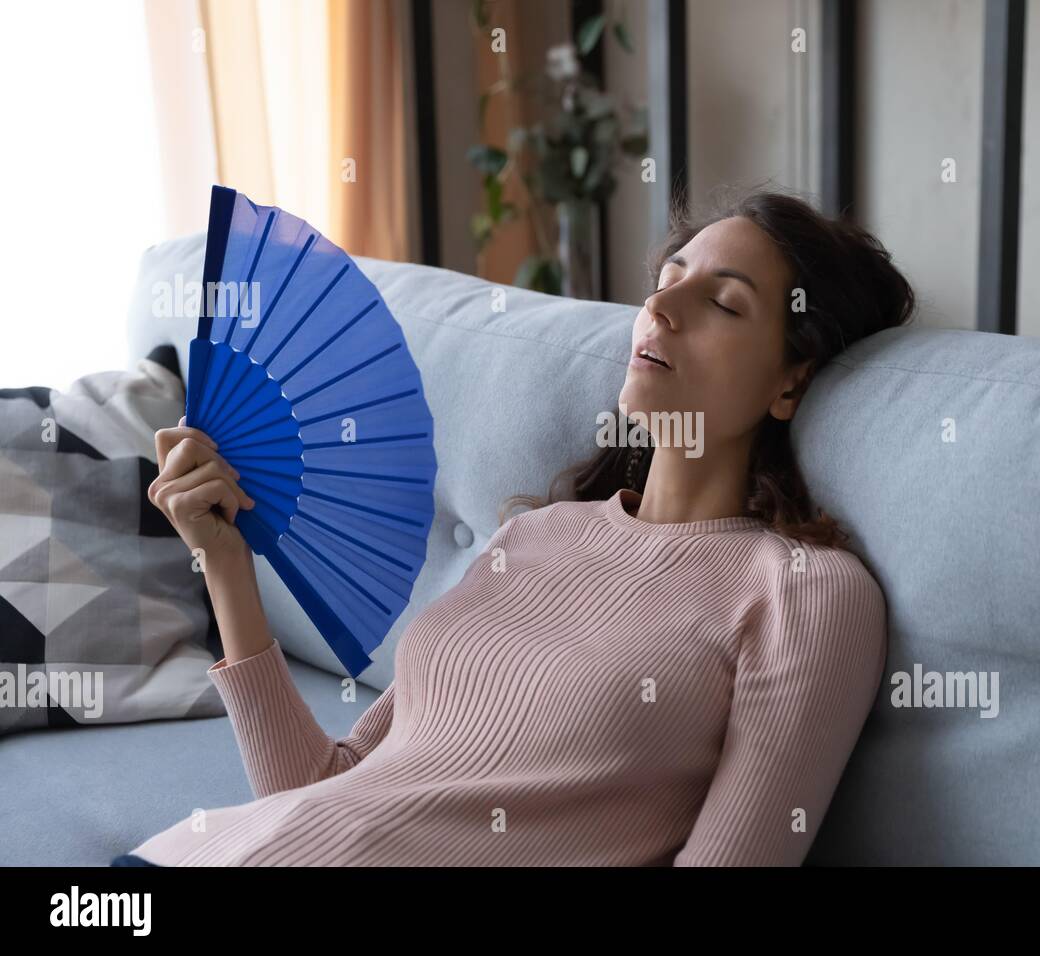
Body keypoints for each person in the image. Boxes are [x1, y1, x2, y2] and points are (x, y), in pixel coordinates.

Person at [121, 185, 915, 866]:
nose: (660, 309)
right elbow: (326, 791)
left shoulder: (803, 593)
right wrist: (225, 563)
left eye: (722, 302)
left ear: (790, 381)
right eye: (667, 281)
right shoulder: (532, 539)